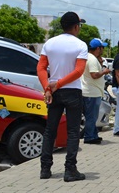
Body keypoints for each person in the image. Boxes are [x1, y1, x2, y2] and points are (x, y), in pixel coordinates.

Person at [37, 11, 88, 182]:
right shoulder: (80, 45)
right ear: (76, 26)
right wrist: (58, 84)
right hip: (72, 91)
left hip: (54, 92)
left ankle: (45, 169)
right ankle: (70, 170)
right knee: (73, 132)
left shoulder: (49, 44)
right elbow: (79, 71)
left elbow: (41, 68)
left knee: (50, 130)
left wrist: (48, 88)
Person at [81, 38, 110, 144]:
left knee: (92, 116)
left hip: (91, 91)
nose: (103, 50)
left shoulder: (89, 57)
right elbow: (94, 75)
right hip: (91, 93)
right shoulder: (92, 59)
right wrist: (104, 71)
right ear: (98, 48)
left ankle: (93, 134)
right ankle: (89, 137)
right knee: (91, 116)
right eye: (102, 47)